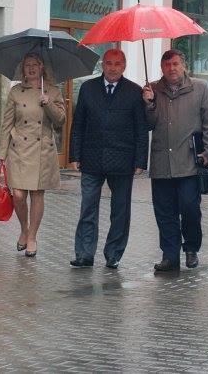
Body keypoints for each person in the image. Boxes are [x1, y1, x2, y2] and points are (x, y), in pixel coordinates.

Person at [69, 48, 148, 269]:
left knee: (120, 210)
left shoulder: (135, 92)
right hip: (92, 157)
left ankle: (113, 253)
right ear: (102, 65)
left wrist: (140, 161)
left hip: (123, 159)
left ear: (124, 66)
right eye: (109, 63)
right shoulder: (88, 88)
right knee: (88, 208)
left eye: (118, 64)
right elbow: (78, 123)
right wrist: (74, 154)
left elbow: (141, 129)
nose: (113, 68)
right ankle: (84, 254)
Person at [142, 49, 208, 272]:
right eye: (167, 65)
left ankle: (191, 248)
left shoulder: (200, 88)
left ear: (183, 65)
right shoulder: (153, 89)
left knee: (190, 208)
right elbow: (147, 124)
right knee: (164, 212)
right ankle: (170, 255)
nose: (171, 68)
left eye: (175, 64)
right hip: (161, 162)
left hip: (190, 162)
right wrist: (149, 104)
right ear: (161, 68)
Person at [0, 53, 66, 257]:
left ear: (42, 67)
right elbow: (7, 123)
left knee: (37, 194)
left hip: (41, 149)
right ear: (23, 69)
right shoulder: (16, 92)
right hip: (19, 149)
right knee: (18, 195)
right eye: (27, 65)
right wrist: (2, 153)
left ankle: (32, 237)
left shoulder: (52, 91)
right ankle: (24, 229)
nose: (31, 68)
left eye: (35, 64)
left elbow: (61, 121)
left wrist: (48, 103)